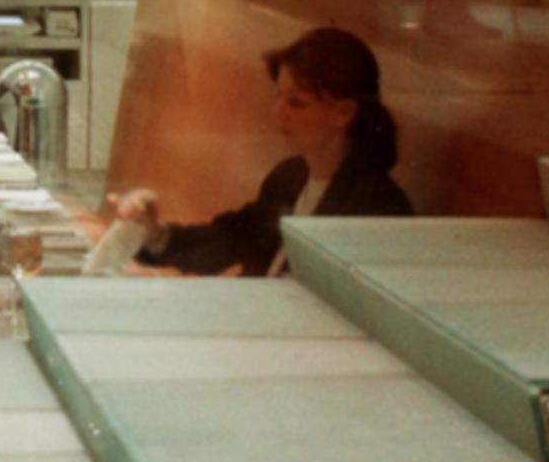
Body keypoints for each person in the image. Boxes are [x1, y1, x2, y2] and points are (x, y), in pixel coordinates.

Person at [103, 27, 412, 278]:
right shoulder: (290, 177)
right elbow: (231, 241)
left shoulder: (377, 210)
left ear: (343, 113)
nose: (278, 113)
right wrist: (154, 233)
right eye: (278, 96)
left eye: (297, 103)